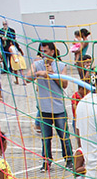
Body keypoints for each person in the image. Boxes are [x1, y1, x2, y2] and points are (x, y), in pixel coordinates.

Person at [27, 41, 72, 170]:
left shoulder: (61, 65)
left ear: (52, 52)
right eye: (41, 51)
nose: (43, 54)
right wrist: (38, 74)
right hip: (44, 109)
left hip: (58, 108)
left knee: (64, 136)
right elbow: (27, 78)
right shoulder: (37, 64)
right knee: (45, 138)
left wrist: (53, 75)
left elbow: (64, 84)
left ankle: (69, 159)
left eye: (46, 51)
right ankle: (46, 162)